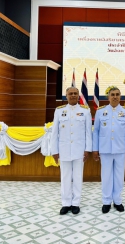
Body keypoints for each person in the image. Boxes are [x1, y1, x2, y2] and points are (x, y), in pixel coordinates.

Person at [51, 87, 92, 215]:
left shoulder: (85, 111)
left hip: (79, 150)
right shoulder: (59, 111)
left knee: (78, 176)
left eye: (75, 94)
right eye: (70, 94)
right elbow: (54, 133)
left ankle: (76, 203)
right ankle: (65, 203)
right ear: (66, 95)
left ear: (78, 95)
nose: (73, 95)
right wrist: (54, 150)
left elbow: (88, 132)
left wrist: (87, 149)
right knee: (65, 177)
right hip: (63, 150)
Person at [93, 87, 125, 213]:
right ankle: (106, 201)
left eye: (117, 95)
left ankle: (117, 200)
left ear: (120, 97)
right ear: (108, 97)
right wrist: (95, 149)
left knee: (119, 176)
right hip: (105, 149)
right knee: (106, 176)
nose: (115, 97)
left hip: (120, 149)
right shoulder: (100, 111)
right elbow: (96, 131)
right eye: (112, 95)